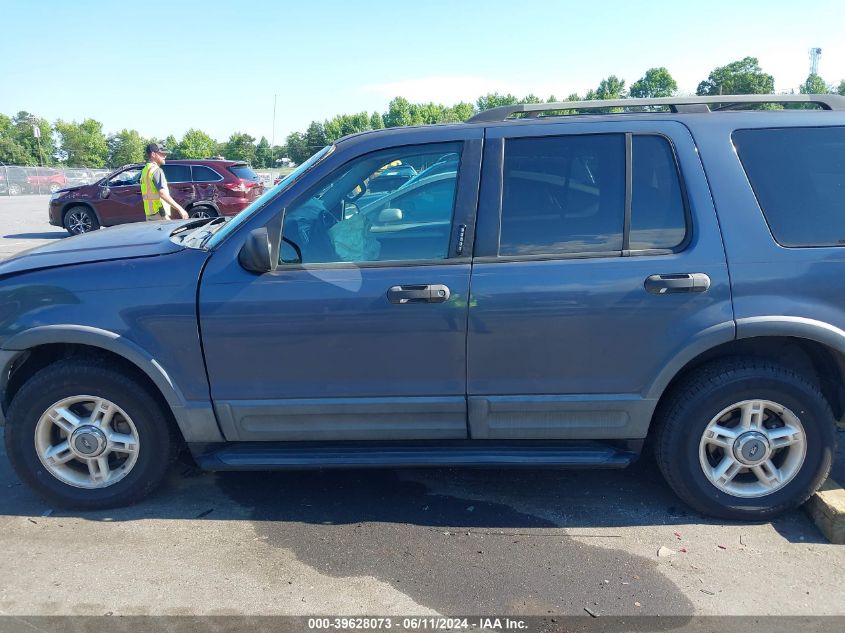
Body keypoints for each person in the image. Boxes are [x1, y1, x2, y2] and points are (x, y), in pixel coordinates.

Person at [140, 143, 189, 221]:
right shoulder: (156, 170)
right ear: (153, 154)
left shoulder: (145, 170)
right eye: (162, 154)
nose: (165, 156)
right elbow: (162, 193)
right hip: (160, 214)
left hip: (150, 214)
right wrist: (180, 209)